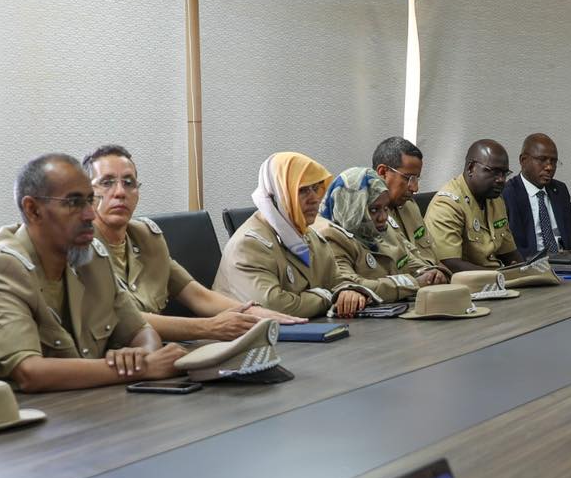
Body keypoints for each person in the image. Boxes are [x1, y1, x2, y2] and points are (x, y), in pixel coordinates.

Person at [0, 154, 185, 389]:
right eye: (74, 203)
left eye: (90, 200)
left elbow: (141, 331)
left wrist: (139, 356)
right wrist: (140, 369)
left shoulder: (91, 256)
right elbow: (29, 372)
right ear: (33, 210)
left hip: (79, 407)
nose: (90, 214)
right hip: (0, 419)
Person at [83, 144, 299, 342]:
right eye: (107, 183)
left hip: (155, 351)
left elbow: (197, 295)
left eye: (129, 183)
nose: (120, 192)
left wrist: (253, 313)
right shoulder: (78, 248)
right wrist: (209, 327)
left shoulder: (147, 237)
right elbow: (121, 319)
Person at [214, 152, 368, 320]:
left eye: (316, 188)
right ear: (278, 195)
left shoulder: (310, 236)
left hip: (296, 335)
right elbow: (274, 306)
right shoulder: (249, 245)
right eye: (302, 190)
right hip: (242, 340)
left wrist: (348, 292)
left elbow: (337, 281)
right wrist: (329, 296)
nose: (314, 199)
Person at [314, 168, 422, 303]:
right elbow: (352, 285)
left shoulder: (380, 229)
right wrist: (413, 283)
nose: (383, 217)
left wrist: (428, 273)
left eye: (385, 208)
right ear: (353, 208)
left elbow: (410, 260)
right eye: (374, 209)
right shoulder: (332, 238)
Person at [425, 140, 519, 274]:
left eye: (504, 173)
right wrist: (500, 276)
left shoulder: (495, 199)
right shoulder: (447, 204)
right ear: (471, 168)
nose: (501, 179)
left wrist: (525, 271)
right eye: (494, 172)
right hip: (467, 287)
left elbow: (509, 253)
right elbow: (450, 264)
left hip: (496, 280)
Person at [371, 136, 446, 285]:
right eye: (408, 178)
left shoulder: (410, 206)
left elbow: (434, 258)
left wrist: (445, 275)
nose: (415, 188)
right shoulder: (368, 216)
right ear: (382, 172)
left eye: (417, 179)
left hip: (431, 287)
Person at [503, 132, 571, 259]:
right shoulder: (507, 193)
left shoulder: (560, 190)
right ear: (523, 160)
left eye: (553, 161)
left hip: (566, 263)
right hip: (531, 267)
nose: (549, 167)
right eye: (542, 160)